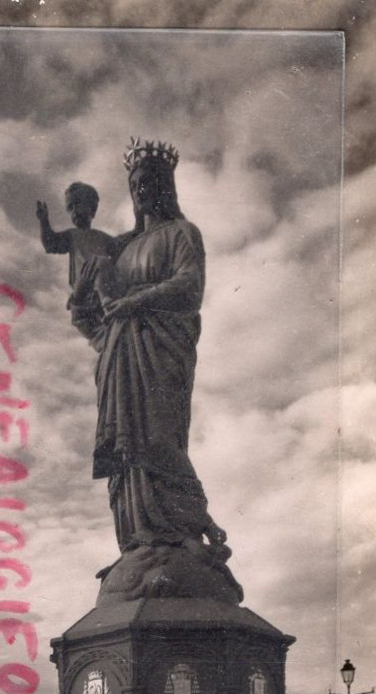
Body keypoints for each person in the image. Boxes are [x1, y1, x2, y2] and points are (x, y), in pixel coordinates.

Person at [67, 139, 227, 556]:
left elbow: (190, 286)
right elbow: (95, 314)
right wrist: (84, 305)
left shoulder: (181, 233)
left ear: (166, 186)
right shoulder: (119, 249)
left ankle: (186, 531)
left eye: (150, 180)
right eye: (135, 183)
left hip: (160, 349)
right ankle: (137, 543)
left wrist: (134, 302)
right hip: (120, 355)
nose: (141, 189)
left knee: (158, 435)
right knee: (126, 446)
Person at [36, 182, 115, 292]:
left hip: (103, 287)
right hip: (83, 289)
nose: (74, 211)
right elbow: (50, 244)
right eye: (70, 207)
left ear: (92, 209)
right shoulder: (72, 235)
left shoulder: (104, 238)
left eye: (78, 203)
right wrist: (44, 221)